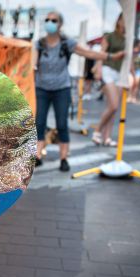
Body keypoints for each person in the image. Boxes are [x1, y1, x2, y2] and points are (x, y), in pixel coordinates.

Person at [33, 11, 124, 171]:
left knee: (62, 124)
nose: (49, 22)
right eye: (47, 20)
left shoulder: (66, 43)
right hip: (42, 89)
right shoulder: (39, 44)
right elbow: (33, 62)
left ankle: (63, 158)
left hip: (62, 88)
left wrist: (110, 57)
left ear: (60, 24)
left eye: (53, 20)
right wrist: (32, 68)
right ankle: (38, 156)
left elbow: (88, 53)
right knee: (39, 123)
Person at [92, 14, 126, 147]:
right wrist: (98, 70)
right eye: (123, 20)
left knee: (112, 108)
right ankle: (97, 131)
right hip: (107, 70)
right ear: (118, 20)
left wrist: (133, 75)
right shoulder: (109, 36)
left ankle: (107, 137)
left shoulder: (128, 39)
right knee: (113, 105)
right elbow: (101, 54)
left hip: (120, 73)